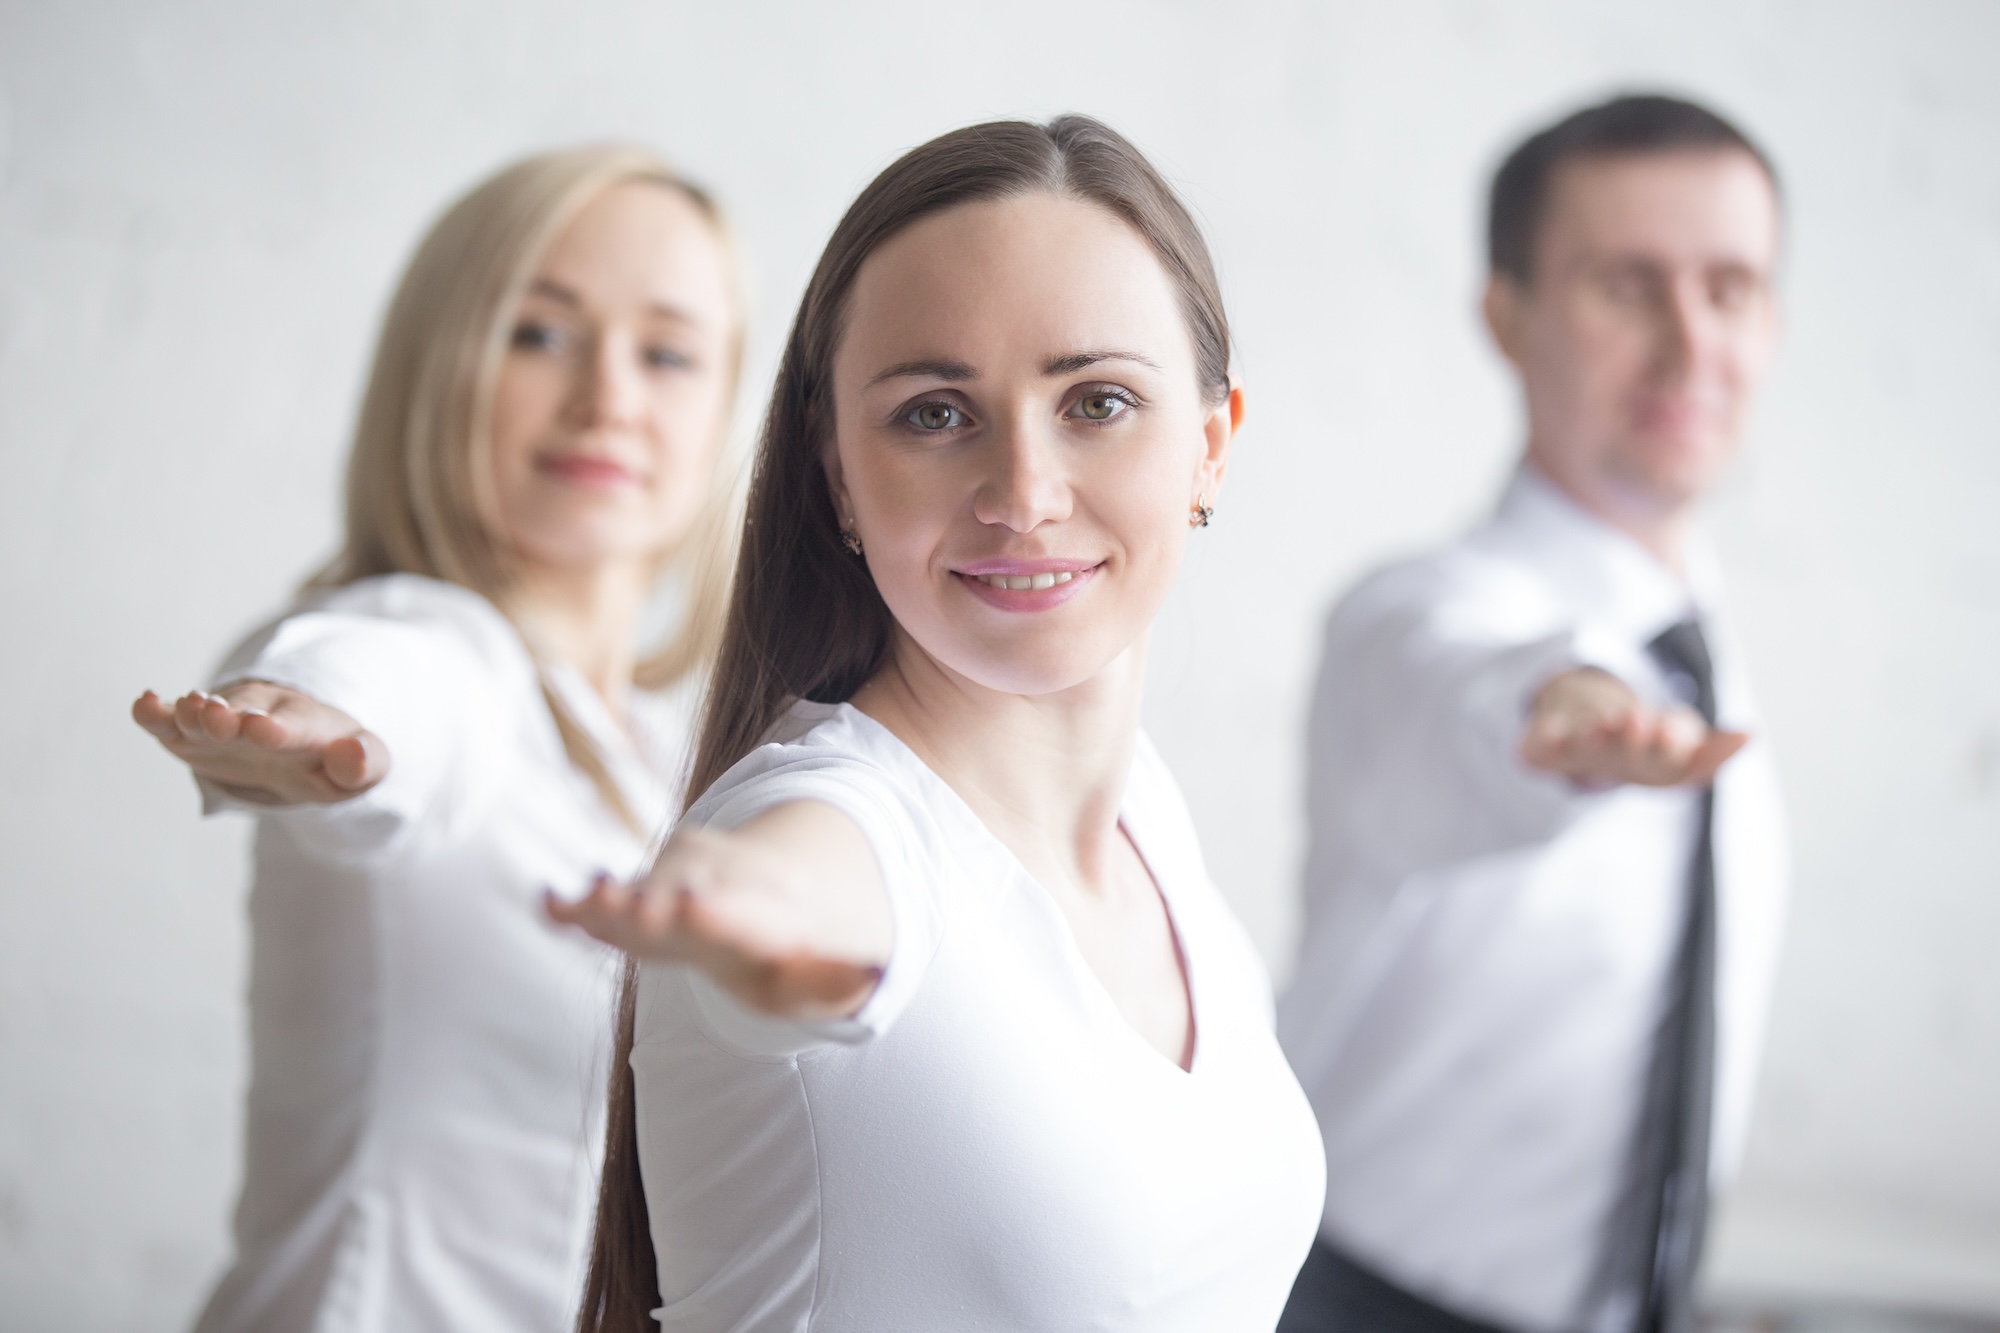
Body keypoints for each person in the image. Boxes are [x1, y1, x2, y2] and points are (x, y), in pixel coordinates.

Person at [549, 115, 1326, 1333]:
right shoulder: (826, 825)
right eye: (932, 414)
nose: (1023, 493)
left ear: (1210, 447)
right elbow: (800, 885)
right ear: (836, 473)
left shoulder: (1145, 816)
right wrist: (729, 905)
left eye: (1099, 401)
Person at [129, 145, 744, 1333]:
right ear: (436, 366)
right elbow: (376, 686)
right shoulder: (432, 649)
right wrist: (302, 717)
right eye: (539, 332)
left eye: (667, 353)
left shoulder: (670, 752)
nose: (609, 395)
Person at [1277, 94, 1791, 1333]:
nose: (1687, 344)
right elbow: (1470, 699)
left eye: (1728, 288)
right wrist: (1562, 713)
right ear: (1504, 315)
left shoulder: (1703, 647)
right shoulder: (1410, 618)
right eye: (1625, 286)